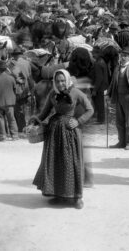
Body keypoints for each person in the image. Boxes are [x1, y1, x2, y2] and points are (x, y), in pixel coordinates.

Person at [30, 69, 94, 209]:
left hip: (70, 133)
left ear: (67, 80)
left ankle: (77, 197)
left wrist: (78, 121)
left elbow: (90, 109)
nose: (60, 84)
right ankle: (59, 195)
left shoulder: (76, 93)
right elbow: (44, 112)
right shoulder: (53, 94)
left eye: (62, 80)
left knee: (72, 163)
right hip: (54, 133)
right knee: (56, 163)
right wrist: (34, 121)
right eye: (57, 81)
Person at [107, 48, 129, 150]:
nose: (123, 57)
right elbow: (113, 83)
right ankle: (121, 142)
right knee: (119, 121)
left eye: (125, 55)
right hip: (118, 97)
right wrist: (108, 94)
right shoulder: (117, 68)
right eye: (122, 55)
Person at [0, 60, 19, 141]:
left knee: (0, 119)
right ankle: (15, 136)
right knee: (11, 119)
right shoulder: (11, 78)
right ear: (6, 69)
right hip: (10, 102)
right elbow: (15, 90)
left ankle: (2, 136)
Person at [90, 46, 109, 124]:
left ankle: (101, 120)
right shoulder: (101, 61)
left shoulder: (98, 63)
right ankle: (100, 119)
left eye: (94, 53)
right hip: (101, 86)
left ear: (97, 54)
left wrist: (94, 90)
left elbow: (99, 78)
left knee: (99, 103)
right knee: (100, 103)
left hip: (99, 87)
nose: (93, 55)